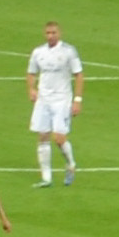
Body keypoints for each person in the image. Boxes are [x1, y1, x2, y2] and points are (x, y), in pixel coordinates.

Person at [25, 21, 87, 185]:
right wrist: (31, 89)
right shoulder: (38, 52)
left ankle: (71, 164)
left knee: (59, 138)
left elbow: (79, 75)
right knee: (42, 136)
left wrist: (77, 100)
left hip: (62, 99)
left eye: (53, 33)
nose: (50, 36)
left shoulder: (68, 51)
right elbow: (31, 72)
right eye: (48, 33)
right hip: (43, 99)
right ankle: (46, 178)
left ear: (59, 33)